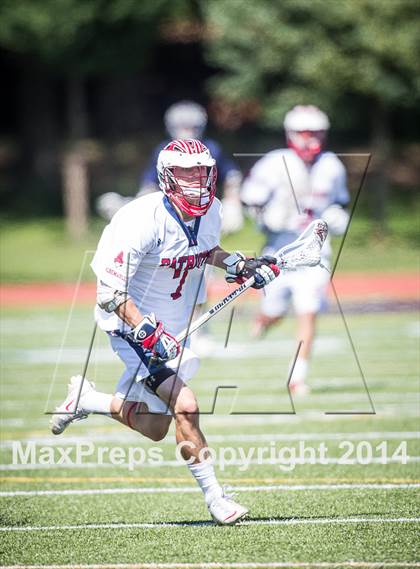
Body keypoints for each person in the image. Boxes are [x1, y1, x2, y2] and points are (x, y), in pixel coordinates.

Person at [51, 139, 279, 525]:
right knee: (185, 404)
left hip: (177, 326)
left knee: (155, 427)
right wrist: (144, 329)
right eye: (186, 173)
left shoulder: (211, 211)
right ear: (166, 176)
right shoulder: (138, 219)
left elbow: (205, 251)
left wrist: (239, 264)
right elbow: (111, 292)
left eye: (201, 172)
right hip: (132, 324)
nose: (196, 181)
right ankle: (217, 498)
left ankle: (86, 400)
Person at [241, 105, 350, 395]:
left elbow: (339, 201)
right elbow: (250, 198)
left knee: (308, 310)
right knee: (274, 310)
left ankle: (297, 377)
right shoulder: (274, 163)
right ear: (291, 134)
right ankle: (264, 319)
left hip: (315, 253)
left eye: (315, 133)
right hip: (279, 250)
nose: (309, 139)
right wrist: (265, 217)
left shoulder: (331, 166)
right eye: (304, 132)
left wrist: (337, 216)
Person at [96, 100, 243, 235]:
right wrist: (142, 204)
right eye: (182, 127)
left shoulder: (211, 148)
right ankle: (127, 213)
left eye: (191, 127)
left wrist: (232, 202)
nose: (187, 132)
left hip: (201, 207)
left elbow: (232, 175)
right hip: (170, 206)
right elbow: (150, 183)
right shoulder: (164, 150)